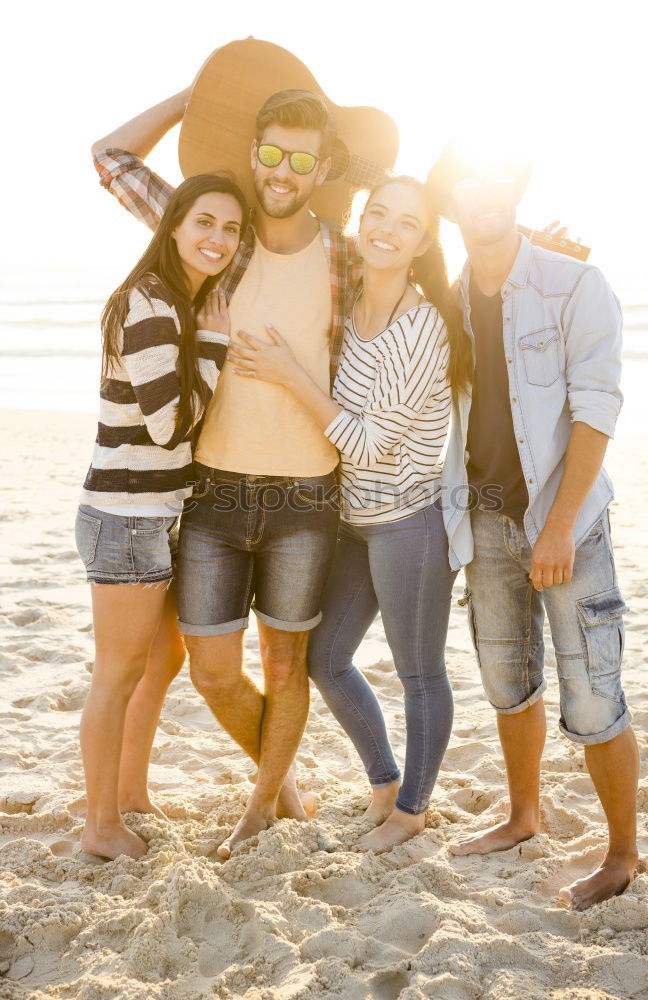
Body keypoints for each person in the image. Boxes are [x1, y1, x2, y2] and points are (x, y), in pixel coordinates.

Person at [92, 83, 361, 857]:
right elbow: (112, 160)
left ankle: (264, 805)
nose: (281, 170)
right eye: (269, 151)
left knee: (287, 666)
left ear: (321, 165)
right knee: (212, 673)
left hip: (309, 494)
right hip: (210, 491)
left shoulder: (344, 249)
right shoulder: (222, 234)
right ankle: (286, 791)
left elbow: (423, 266)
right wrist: (200, 91)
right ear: (252, 152)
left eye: (299, 158)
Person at [227, 176, 472, 852]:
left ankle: (412, 810)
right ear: (361, 220)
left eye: (407, 223)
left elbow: (366, 441)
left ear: (424, 243)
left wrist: (286, 374)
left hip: (408, 523)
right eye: (378, 214)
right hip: (351, 520)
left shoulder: (421, 327)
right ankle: (385, 783)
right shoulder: (352, 296)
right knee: (326, 660)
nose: (387, 230)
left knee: (419, 669)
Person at [429, 144, 639, 910]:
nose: (481, 193)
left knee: (593, 694)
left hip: (568, 526)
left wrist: (555, 526)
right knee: (507, 679)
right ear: (448, 204)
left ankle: (621, 855)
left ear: (513, 189)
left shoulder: (573, 283)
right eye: (464, 184)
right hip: (481, 523)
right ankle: (525, 815)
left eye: (493, 177)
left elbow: (597, 408)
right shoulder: (442, 301)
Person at [75, 174, 248, 860]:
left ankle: (130, 794)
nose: (218, 239)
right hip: (127, 516)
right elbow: (168, 427)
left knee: (161, 661)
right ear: (173, 225)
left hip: (155, 513)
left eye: (231, 229)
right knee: (117, 673)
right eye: (205, 222)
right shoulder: (152, 305)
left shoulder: (180, 300)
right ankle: (100, 826)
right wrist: (213, 348)